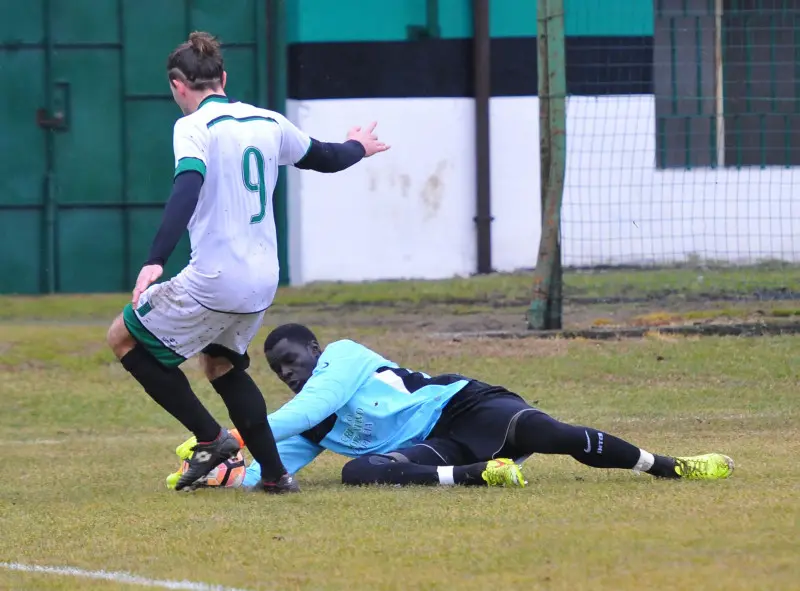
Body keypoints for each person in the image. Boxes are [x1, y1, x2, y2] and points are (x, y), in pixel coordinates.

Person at [105, 31, 389, 494]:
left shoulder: (193, 126)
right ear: (223, 77)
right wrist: (358, 145)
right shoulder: (268, 122)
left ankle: (212, 439)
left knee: (122, 336)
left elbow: (187, 184)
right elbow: (328, 158)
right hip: (261, 282)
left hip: (216, 279)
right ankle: (276, 476)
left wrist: (155, 259)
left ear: (178, 86)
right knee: (222, 364)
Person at [166, 323, 735, 490]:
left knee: (549, 434)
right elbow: (273, 467)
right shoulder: (308, 422)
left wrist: (233, 436)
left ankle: (669, 465)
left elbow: (286, 417)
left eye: (294, 360)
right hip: (439, 447)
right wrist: (222, 473)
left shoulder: (342, 357)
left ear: (317, 349)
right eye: (280, 372)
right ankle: (479, 475)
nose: (291, 374)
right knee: (359, 472)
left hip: (461, 406)